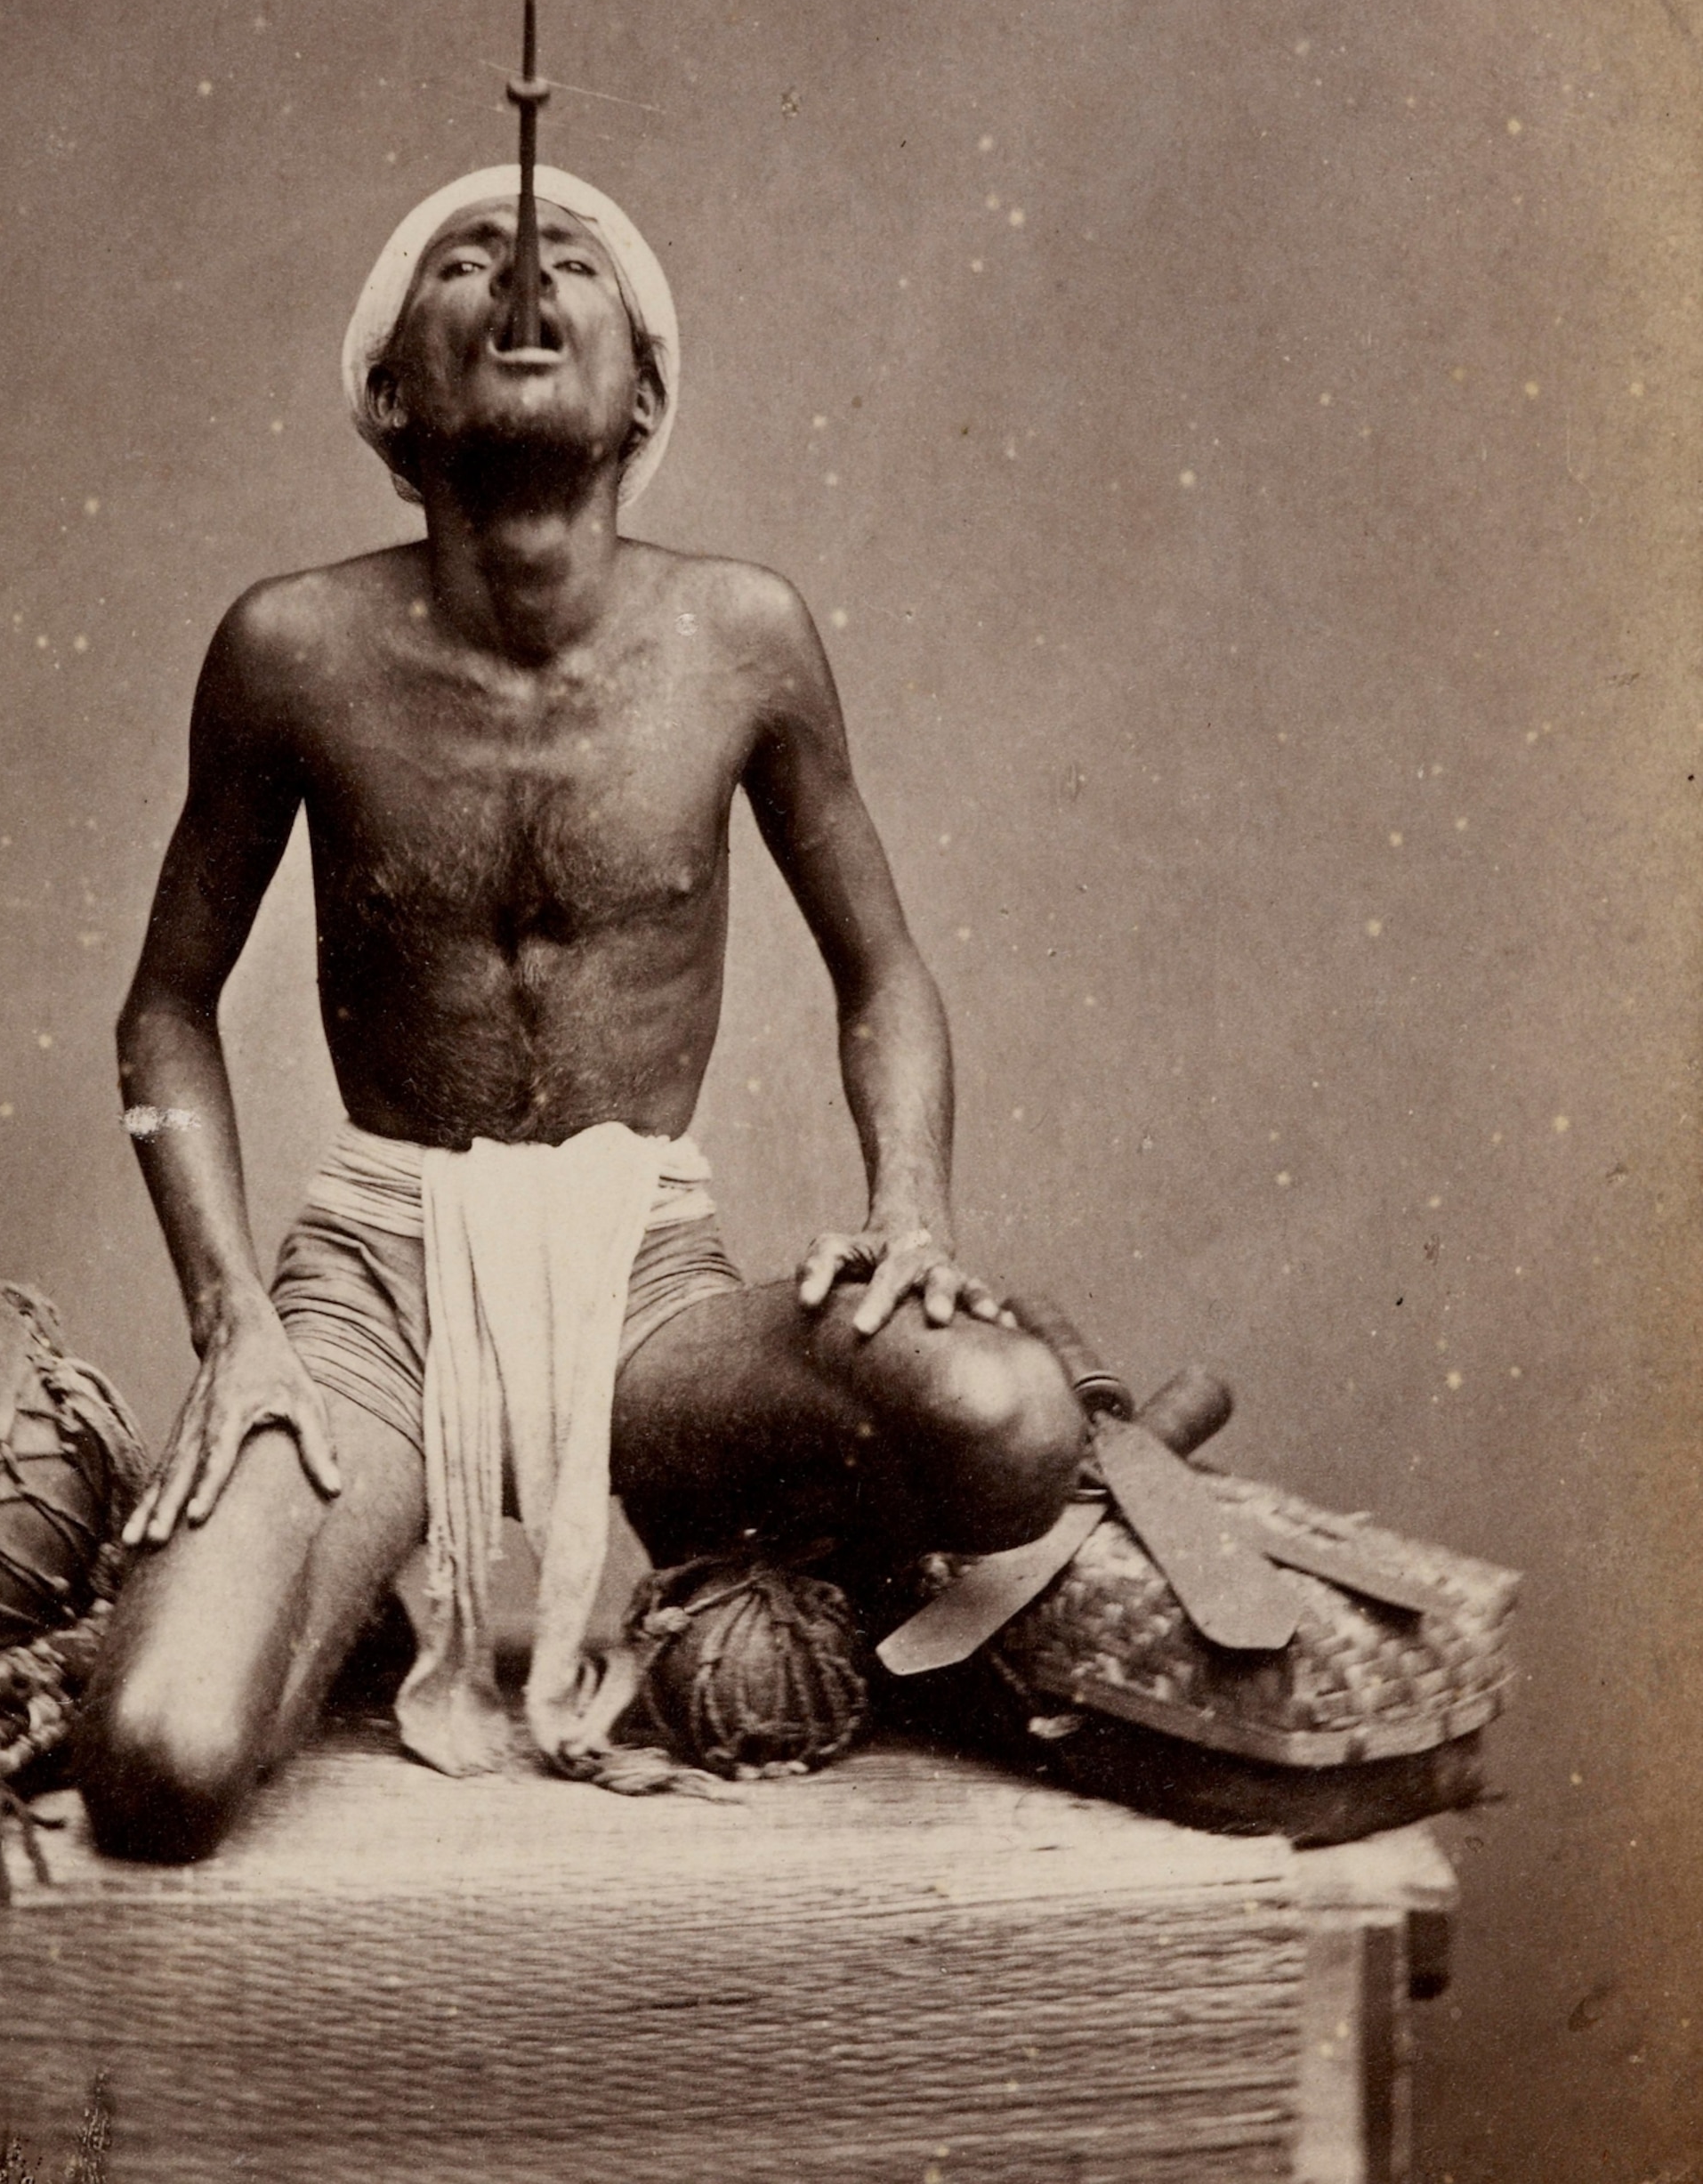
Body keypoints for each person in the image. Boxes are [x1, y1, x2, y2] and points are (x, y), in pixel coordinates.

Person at [75, 160, 1084, 1861]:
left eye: (575, 265)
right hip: (374, 1294)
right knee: (160, 1762)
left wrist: (910, 1209)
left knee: (1014, 1421)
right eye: (467, 260)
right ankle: (349, 1569)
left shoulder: (742, 636)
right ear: (394, 396)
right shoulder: (289, 649)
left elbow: (884, 967)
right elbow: (165, 1008)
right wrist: (234, 1315)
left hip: (651, 1302)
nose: (525, 274)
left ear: (647, 394)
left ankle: (740, 1531)